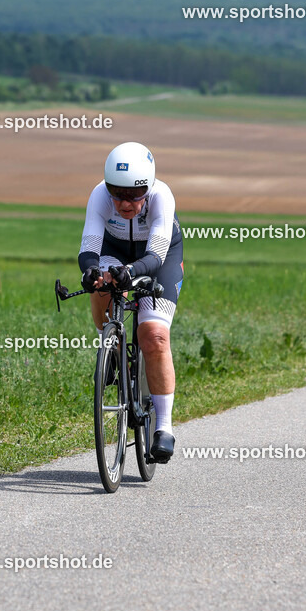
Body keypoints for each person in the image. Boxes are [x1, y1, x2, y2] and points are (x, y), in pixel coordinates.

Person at [78, 141, 184, 463]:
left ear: (148, 188)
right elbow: (89, 247)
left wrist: (129, 273)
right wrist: (90, 272)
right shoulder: (99, 195)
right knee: (101, 286)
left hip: (158, 257)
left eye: (134, 194)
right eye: (117, 193)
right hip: (116, 249)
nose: (125, 203)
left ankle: (163, 428)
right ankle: (109, 344)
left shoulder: (161, 197)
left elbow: (155, 256)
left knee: (153, 335)